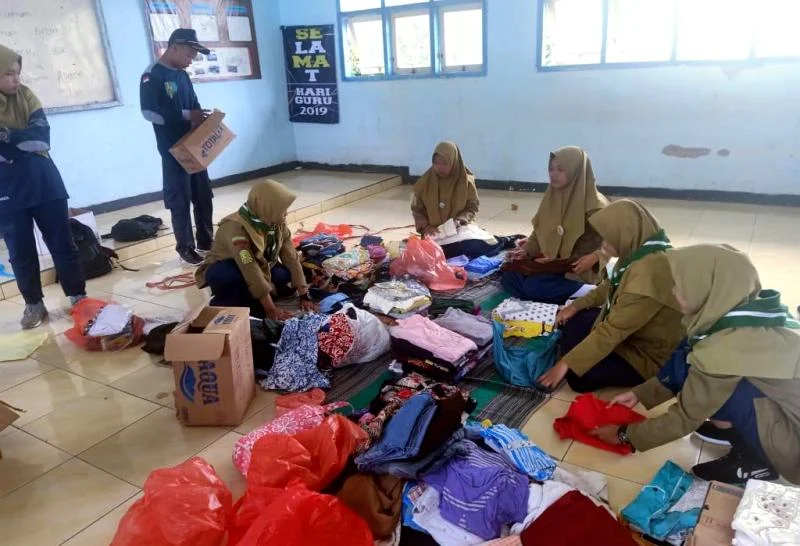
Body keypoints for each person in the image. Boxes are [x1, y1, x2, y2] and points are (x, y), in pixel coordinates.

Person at [594, 245, 800, 485]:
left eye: (680, 286)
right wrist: (639, 393)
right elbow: (685, 357)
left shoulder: (726, 348)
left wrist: (624, 435)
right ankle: (734, 430)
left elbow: (684, 417)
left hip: (794, 447)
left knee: (713, 386)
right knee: (697, 364)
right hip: (786, 416)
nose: (672, 291)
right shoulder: (741, 314)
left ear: (707, 290)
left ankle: (756, 462)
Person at [538, 199, 685, 392]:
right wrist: (574, 307)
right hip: (632, 331)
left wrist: (566, 363)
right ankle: (579, 350)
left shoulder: (649, 276)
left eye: (609, 238)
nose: (603, 245)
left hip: (646, 352)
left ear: (626, 234)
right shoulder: (640, 252)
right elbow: (609, 285)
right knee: (576, 320)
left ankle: (578, 356)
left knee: (578, 378)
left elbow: (612, 332)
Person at [0, 45, 86, 329]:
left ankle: (78, 297)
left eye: (17, 73)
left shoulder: (27, 96)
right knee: (20, 251)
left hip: (44, 183)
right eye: (9, 74)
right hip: (6, 192)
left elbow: (41, 139)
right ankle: (33, 304)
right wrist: (18, 140)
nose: (16, 79)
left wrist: (6, 136)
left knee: (62, 243)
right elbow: (25, 142)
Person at [140, 28, 214, 266]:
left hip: (193, 144)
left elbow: (193, 104)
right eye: (189, 55)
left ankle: (206, 242)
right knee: (180, 199)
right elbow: (149, 112)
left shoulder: (183, 75)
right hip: (172, 150)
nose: (190, 61)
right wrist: (185, 115)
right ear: (174, 48)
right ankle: (185, 246)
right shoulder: (153, 75)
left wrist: (201, 118)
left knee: (203, 195)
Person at [501, 146, 609, 305]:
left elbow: (616, 240)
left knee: (533, 286)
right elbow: (538, 233)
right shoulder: (551, 197)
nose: (554, 174)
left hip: (576, 270)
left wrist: (596, 257)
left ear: (576, 171)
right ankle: (568, 294)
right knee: (507, 275)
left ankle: (587, 290)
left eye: (561, 169)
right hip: (552, 265)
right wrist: (525, 251)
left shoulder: (596, 206)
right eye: (551, 168)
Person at [195, 180, 315, 320]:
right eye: (282, 209)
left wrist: (304, 296)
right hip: (228, 266)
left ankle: (256, 294)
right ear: (267, 207)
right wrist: (271, 310)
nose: (286, 213)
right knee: (232, 279)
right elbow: (248, 266)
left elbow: (291, 258)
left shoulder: (275, 223)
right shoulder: (236, 229)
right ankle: (228, 300)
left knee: (283, 277)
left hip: (260, 264)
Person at [411, 141, 511, 259]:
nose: (439, 167)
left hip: (459, 228)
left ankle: (503, 240)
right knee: (429, 253)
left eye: (444, 163)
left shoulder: (466, 182)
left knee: (474, 247)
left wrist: (460, 220)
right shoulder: (423, 183)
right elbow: (417, 210)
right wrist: (427, 227)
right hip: (435, 232)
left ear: (454, 162)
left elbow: (472, 207)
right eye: (436, 163)